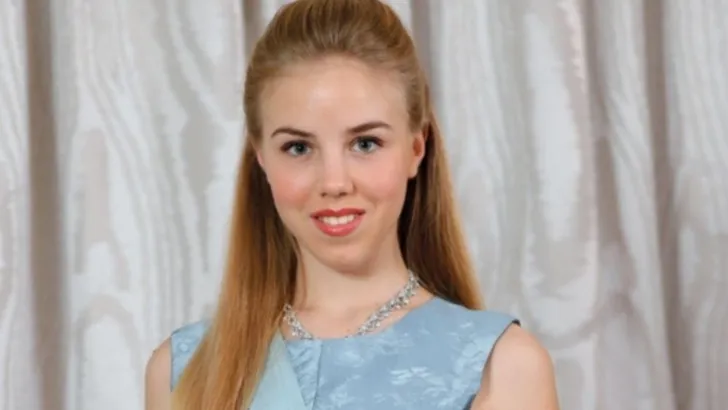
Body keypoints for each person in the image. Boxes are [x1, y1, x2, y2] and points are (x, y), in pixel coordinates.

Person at [144, 0, 559, 409]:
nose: (334, 182)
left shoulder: (500, 368)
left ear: (416, 148)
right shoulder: (184, 371)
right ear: (262, 159)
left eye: (365, 143)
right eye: (298, 147)